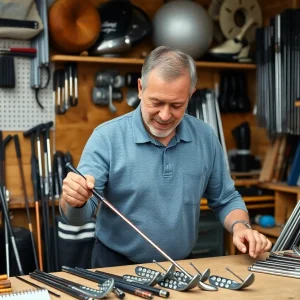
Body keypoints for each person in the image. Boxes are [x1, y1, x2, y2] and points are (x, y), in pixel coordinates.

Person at [60, 46, 272, 268]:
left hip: (180, 266)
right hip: (116, 266)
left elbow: (226, 199)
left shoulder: (206, 137)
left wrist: (241, 227)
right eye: (156, 102)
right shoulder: (106, 138)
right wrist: (73, 200)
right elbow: (77, 217)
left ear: (191, 94)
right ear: (140, 89)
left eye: (176, 105)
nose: (164, 115)